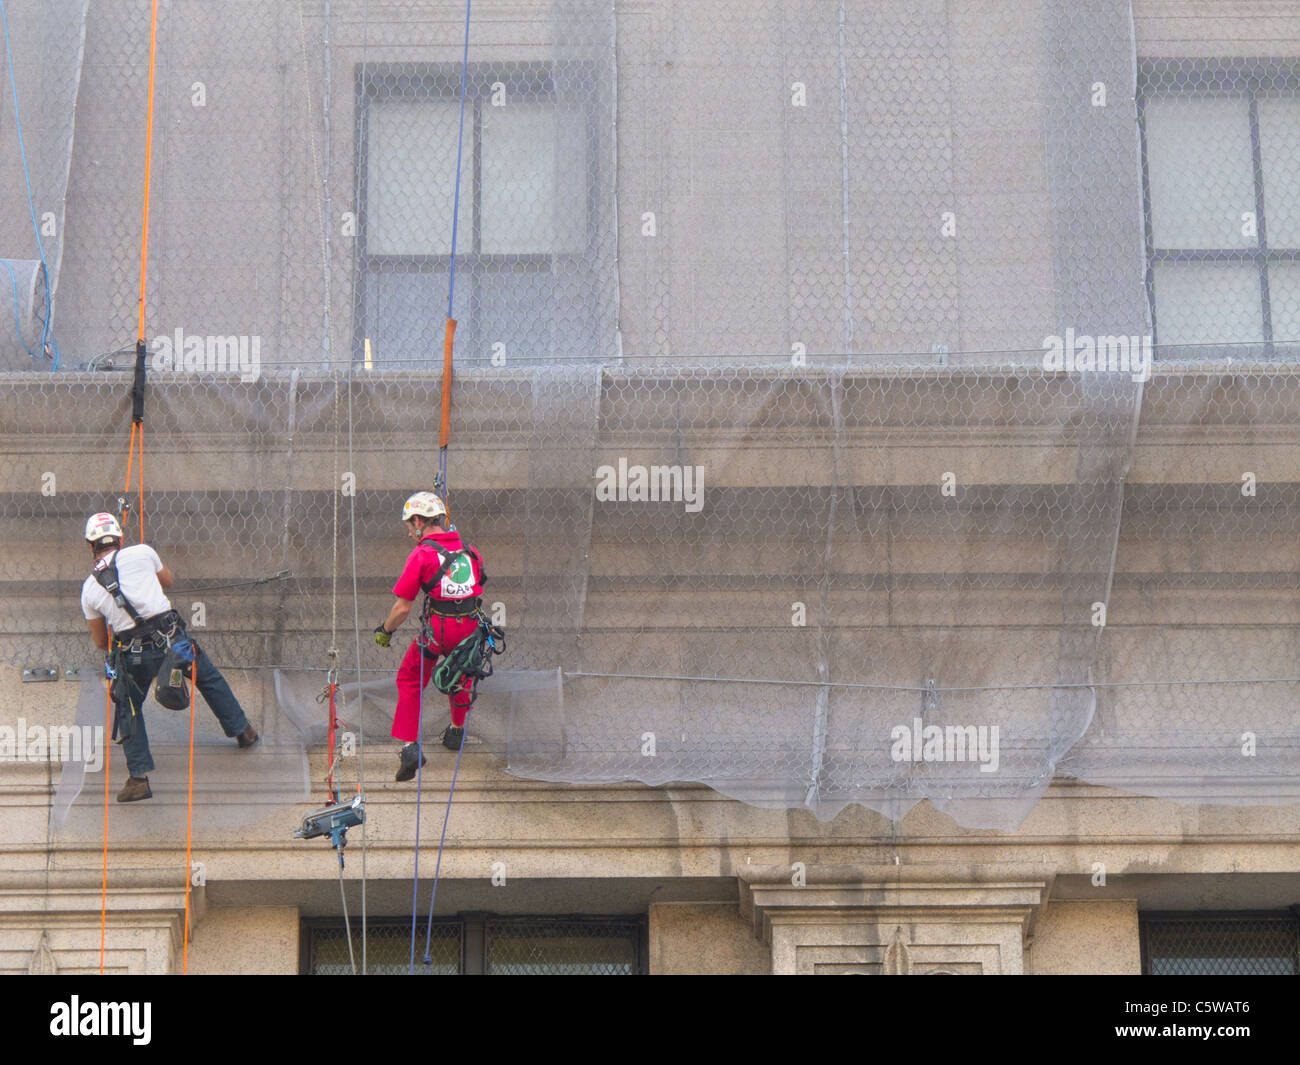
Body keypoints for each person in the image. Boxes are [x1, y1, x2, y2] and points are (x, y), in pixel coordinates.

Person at [80, 512, 259, 802]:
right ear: (120, 539)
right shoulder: (142, 552)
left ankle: (138, 779)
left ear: (91, 546)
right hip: (173, 640)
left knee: (129, 706)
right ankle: (243, 730)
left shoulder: (89, 589)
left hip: (134, 655)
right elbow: (169, 580)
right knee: (207, 676)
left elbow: (101, 641)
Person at [374, 491, 486, 781]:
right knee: (461, 672)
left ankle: (410, 747)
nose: (410, 532)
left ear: (420, 521)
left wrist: (385, 630)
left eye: (410, 525)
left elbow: (402, 608)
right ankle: (456, 733)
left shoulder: (422, 554)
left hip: (438, 629)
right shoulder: (469, 549)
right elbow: (479, 580)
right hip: (470, 627)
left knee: (410, 678)